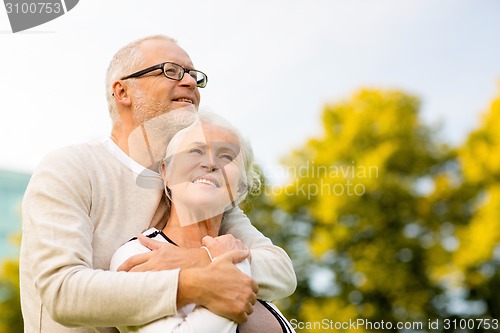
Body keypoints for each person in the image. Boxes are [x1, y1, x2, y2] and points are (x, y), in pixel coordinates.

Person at [20, 35, 296, 333]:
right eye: (171, 71)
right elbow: (63, 292)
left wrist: (197, 259)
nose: (190, 82)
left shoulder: (195, 187)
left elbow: (280, 270)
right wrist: (192, 283)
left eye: (193, 74)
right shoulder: (71, 167)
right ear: (123, 91)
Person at [110, 112, 295, 333]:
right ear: (166, 173)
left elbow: (284, 274)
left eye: (227, 156)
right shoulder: (139, 253)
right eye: (195, 151)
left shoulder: (246, 257)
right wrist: (232, 267)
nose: (210, 163)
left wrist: (215, 260)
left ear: (241, 189)